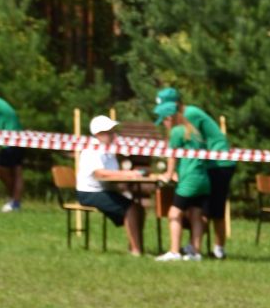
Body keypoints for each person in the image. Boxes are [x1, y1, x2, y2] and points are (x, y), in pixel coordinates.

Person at [153, 89, 235, 258]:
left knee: (215, 210)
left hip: (219, 163)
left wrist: (171, 172)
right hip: (204, 166)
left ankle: (218, 249)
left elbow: (179, 148)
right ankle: (194, 248)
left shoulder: (190, 115)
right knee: (199, 210)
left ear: (175, 105)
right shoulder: (185, 119)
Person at [74, 115, 148, 256]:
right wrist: (128, 174)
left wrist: (125, 180)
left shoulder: (108, 150)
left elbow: (111, 175)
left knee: (139, 209)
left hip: (105, 190)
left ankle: (133, 246)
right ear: (98, 134)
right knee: (131, 209)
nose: (113, 135)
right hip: (89, 193)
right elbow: (100, 174)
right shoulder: (92, 149)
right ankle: (136, 251)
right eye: (109, 132)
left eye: (113, 131)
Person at [153, 95, 211, 261]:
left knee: (174, 214)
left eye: (164, 120)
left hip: (189, 181)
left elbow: (172, 156)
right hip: (203, 179)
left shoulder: (177, 132)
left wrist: (168, 175)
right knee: (196, 214)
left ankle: (174, 252)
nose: (164, 124)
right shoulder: (195, 131)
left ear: (170, 118)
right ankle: (196, 252)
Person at [0, 95, 23, 211]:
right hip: (16, 136)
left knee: (3, 168)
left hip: (11, 139)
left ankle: (14, 200)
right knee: (17, 170)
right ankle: (15, 201)